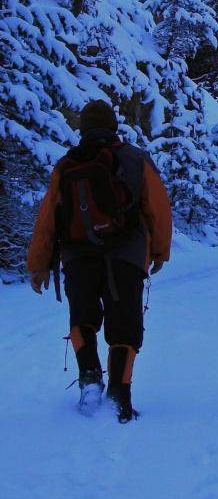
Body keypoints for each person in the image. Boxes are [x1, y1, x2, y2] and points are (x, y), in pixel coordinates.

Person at [26, 100, 172, 422]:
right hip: (126, 254)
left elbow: (48, 218)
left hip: (78, 255)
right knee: (124, 324)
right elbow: (158, 207)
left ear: (83, 130)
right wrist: (160, 251)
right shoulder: (134, 158)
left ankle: (90, 380)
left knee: (83, 317)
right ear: (113, 127)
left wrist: (38, 264)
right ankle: (120, 395)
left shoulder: (66, 165)